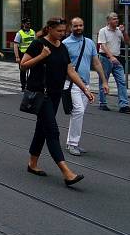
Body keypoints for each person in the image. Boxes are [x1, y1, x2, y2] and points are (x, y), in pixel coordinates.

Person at [21, 17, 93, 187]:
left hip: (55, 95)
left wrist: (85, 88)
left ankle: (32, 164)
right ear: (50, 29)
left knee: (42, 129)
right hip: (41, 94)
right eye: (59, 31)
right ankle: (67, 173)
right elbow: (23, 65)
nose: (62, 34)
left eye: (64, 31)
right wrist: (42, 56)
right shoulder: (39, 44)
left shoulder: (63, 47)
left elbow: (70, 70)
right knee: (52, 132)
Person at [63, 18, 109, 156]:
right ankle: (72, 144)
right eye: (75, 26)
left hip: (86, 84)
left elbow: (96, 63)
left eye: (80, 25)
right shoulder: (65, 44)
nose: (78, 28)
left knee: (77, 113)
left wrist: (104, 81)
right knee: (78, 111)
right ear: (71, 27)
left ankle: (72, 142)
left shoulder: (89, 43)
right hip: (71, 84)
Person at [98, 12, 130, 113]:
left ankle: (124, 105)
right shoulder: (103, 31)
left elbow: (127, 42)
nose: (116, 20)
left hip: (117, 59)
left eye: (117, 18)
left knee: (122, 81)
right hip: (105, 58)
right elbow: (103, 46)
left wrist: (124, 32)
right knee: (104, 80)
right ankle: (103, 103)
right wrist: (111, 57)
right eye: (114, 19)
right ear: (108, 21)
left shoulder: (119, 31)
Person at [13, 18, 36, 91]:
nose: (29, 25)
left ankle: (30, 85)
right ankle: (23, 86)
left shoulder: (32, 32)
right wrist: (17, 57)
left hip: (32, 54)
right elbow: (15, 45)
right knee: (23, 71)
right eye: (27, 23)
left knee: (33, 70)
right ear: (23, 24)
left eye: (29, 23)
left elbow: (35, 43)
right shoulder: (19, 33)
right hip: (22, 54)